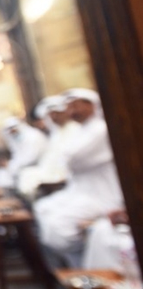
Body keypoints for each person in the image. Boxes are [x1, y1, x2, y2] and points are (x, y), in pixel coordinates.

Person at [34, 88, 126, 268]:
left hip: (103, 194)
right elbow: (64, 158)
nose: (72, 112)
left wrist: (65, 158)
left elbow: (71, 157)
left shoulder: (100, 129)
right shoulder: (80, 131)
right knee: (43, 208)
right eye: (68, 107)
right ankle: (78, 265)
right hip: (79, 190)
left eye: (75, 106)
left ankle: (83, 266)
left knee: (59, 228)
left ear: (91, 105)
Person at [17, 95, 81, 200]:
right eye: (51, 115)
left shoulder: (76, 129)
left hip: (69, 174)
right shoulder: (56, 134)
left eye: (57, 114)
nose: (54, 117)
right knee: (27, 175)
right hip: (54, 170)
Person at [0, 116, 48, 189]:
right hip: (24, 167)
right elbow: (17, 156)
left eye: (13, 129)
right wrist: (11, 165)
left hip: (39, 166)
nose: (12, 132)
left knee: (24, 177)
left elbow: (31, 158)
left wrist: (13, 166)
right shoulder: (16, 141)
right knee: (1, 174)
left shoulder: (33, 136)